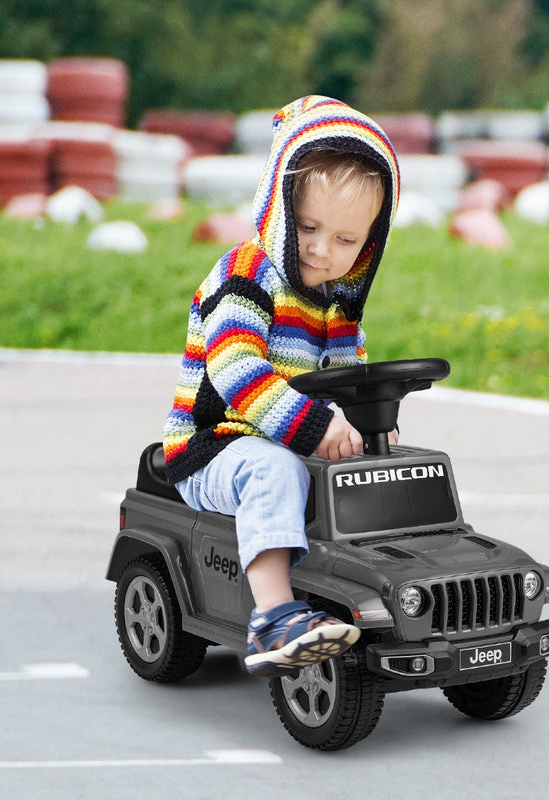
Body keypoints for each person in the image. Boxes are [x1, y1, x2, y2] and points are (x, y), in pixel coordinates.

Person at [162, 96, 400, 677]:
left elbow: (348, 377)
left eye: (346, 241)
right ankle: (273, 614)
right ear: (277, 207)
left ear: (370, 241)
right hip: (214, 443)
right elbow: (237, 370)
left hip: (287, 437)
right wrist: (317, 426)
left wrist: (371, 420)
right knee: (275, 471)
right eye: (309, 227)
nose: (322, 250)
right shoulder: (247, 274)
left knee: (380, 466)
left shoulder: (338, 303)